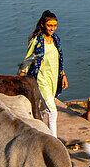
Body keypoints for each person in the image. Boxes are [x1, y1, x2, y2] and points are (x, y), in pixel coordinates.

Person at [18, 10, 68, 139]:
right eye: (49, 25)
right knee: (52, 111)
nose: (52, 28)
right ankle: (54, 142)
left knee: (42, 109)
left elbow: (59, 59)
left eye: (54, 26)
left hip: (53, 79)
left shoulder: (56, 39)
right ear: (42, 25)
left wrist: (63, 75)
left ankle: (36, 135)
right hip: (40, 79)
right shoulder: (36, 41)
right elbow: (28, 60)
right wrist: (20, 78)